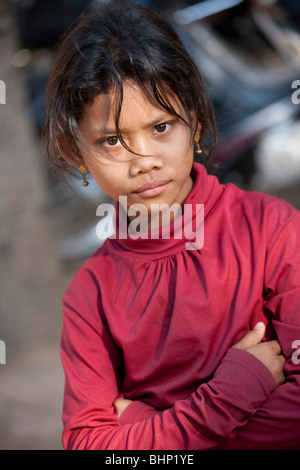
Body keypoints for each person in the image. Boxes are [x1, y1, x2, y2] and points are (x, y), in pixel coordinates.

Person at [44, 0, 300, 450]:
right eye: (111, 140)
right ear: (74, 151)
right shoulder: (90, 295)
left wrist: (141, 425)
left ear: (196, 119)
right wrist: (227, 399)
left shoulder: (272, 230)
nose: (144, 161)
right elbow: (87, 444)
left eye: (161, 127)